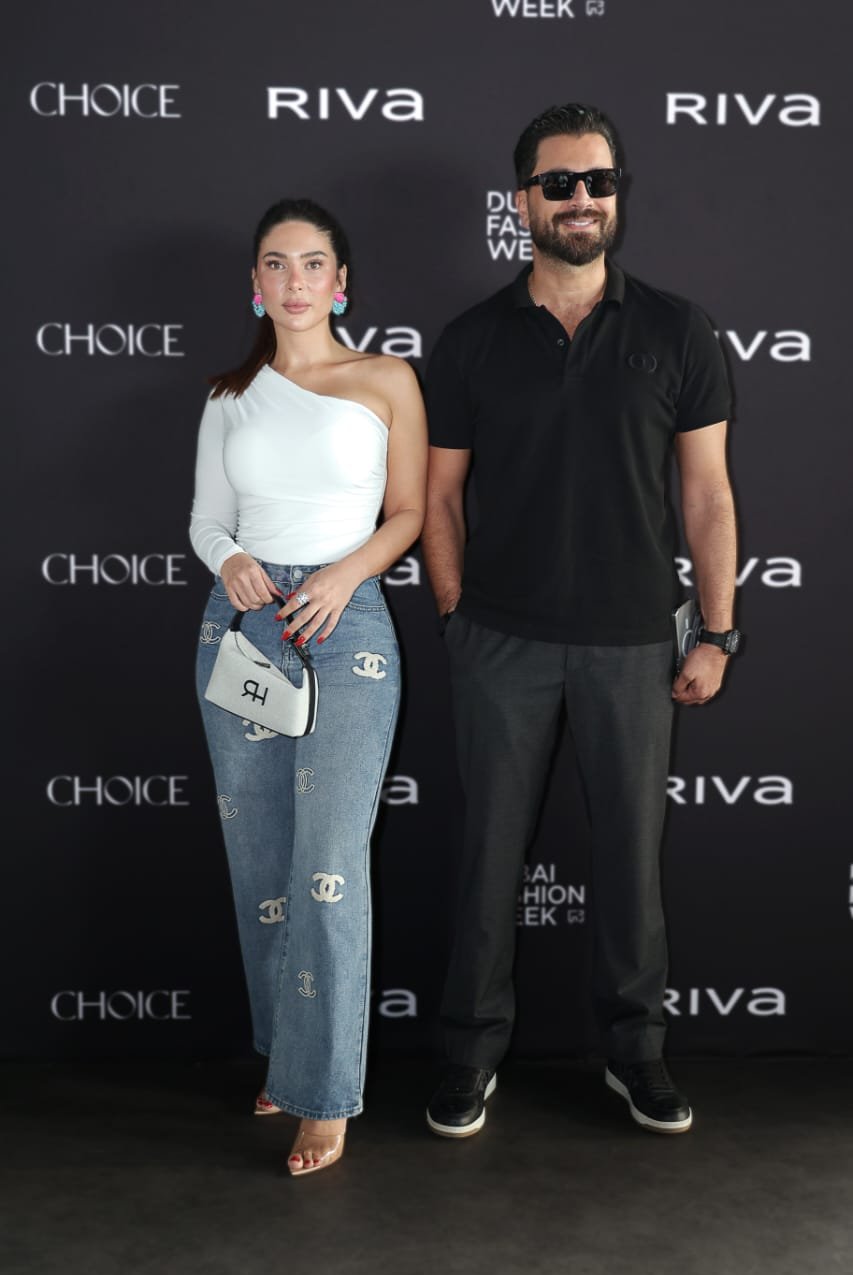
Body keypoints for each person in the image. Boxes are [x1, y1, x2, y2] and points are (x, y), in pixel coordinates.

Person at [422, 103, 740, 1138]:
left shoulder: (677, 330)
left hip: (634, 643)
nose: (580, 200)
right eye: (558, 183)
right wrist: (456, 612)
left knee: (631, 863)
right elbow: (437, 498)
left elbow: (707, 496)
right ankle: (469, 1054)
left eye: (598, 182)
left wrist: (715, 631)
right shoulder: (469, 340)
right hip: (500, 641)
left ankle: (634, 1053)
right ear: (521, 200)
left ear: (616, 196)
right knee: (486, 860)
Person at [191, 198, 427, 1175]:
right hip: (245, 627)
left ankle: (324, 1095)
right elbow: (207, 519)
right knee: (262, 864)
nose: (296, 280)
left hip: (346, 625)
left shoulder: (385, 379)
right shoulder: (228, 395)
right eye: (277, 264)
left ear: (341, 283)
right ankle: (284, 1059)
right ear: (257, 283)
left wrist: (342, 575)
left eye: (313, 263)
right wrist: (232, 560)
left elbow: (408, 510)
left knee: (329, 861)